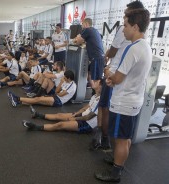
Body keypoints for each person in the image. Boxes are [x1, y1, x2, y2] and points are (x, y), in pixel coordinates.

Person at [95, 8, 151, 182]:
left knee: (120, 139)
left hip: (123, 102)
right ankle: (117, 161)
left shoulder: (133, 49)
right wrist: (114, 79)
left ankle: (115, 173)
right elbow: (125, 77)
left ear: (134, 27)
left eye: (125, 26)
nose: (123, 29)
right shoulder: (145, 46)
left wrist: (108, 73)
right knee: (125, 137)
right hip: (133, 100)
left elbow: (118, 77)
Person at [90, 1, 145, 151]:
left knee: (105, 107)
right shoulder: (142, 42)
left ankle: (106, 139)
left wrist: (106, 61)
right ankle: (106, 139)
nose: (123, 21)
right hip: (123, 79)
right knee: (106, 107)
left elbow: (113, 51)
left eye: (126, 16)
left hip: (116, 76)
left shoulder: (126, 33)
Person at [22, 79, 101, 133]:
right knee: (59, 115)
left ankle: (35, 127)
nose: (93, 81)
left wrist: (74, 118)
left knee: (60, 125)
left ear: (101, 87)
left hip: (87, 124)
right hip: (82, 115)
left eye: (96, 82)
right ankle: (37, 114)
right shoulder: (94, 96)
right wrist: (77, 113)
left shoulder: (101, 101)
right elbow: (85, 107)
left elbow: (88, 117)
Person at [8, 70, 76, 107]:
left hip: (59, 101)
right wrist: (61, 84)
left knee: (38, 99)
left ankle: (17, 98)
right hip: (55, 96)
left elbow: (61, 95)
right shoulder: (65, 82)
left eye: (64, 77)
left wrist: (60, 84)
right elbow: (56, 91)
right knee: (37, 101)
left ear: (69, 78)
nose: (63, 78)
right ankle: (18, 102)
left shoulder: (72, 86)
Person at [73, 18, 104, 87]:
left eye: (82, 24)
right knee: (89, 74)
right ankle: (93, 89)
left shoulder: (87, 30)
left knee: (97, 79)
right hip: (97, 57)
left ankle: (98, 94)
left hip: (96, 58)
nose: (81, 26)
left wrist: (77, 38)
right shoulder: (94, 30)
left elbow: (78, 41)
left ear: (86, 24)